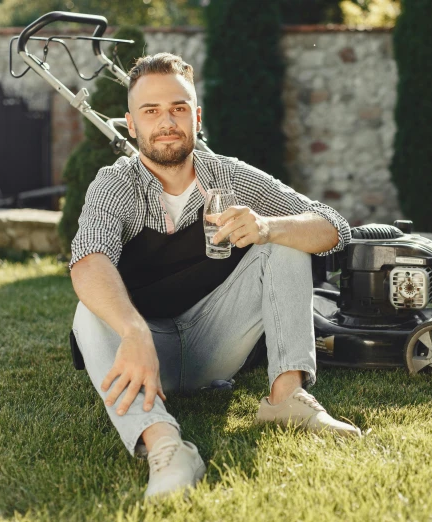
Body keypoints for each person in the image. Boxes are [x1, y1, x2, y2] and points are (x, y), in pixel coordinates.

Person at [69, 52, 360, 500]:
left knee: (283, 245)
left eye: (178, 108)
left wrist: (266, 227)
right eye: (151, 111)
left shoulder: (228, 174)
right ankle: (166, 447)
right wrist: (133, 330)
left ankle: (287, 400)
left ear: (196, 116)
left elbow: (332, 226)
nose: (166, 121)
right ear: (131, 124)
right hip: (146, 356)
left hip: (215, 342)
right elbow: (89, 259)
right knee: (88, 313)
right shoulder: (115, 185)